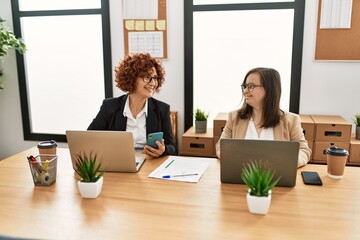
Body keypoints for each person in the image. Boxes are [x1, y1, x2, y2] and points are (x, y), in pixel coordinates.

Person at [215, 67, 311, 167]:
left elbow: (304, 151)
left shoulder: (291, 120)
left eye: (251, 86)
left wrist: (285, 163)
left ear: (269, 89)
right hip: (241, 177)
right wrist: (236, 160)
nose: (245, 91)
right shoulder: (234, 117)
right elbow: (220, 147)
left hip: (276, 179)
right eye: (245, 86)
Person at [88, 53, 176, 157]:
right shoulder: (110, 106)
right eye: (147, 77)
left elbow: (171, 146)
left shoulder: (162, 109)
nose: (153, 83)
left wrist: (163, 150)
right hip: (118, 162)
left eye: (155, 78)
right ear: (132, 78)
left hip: (149, 164)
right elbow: (90, 137)